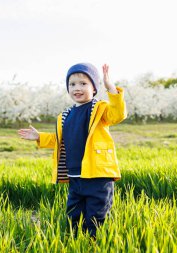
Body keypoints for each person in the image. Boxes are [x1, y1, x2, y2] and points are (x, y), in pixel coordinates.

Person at [18, 63, 127, 238]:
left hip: (98, 176)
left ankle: (94, 244)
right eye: (72, 84)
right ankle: (76, 241)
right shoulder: (65, 116)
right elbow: (59, 140)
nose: (77, 88)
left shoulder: (99, 109)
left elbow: (118, 114)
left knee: (96, 216)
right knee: (74, 215)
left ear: (94, 88)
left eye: (83, 84)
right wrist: (39, 137)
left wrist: (111, 88)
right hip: (75, 176)